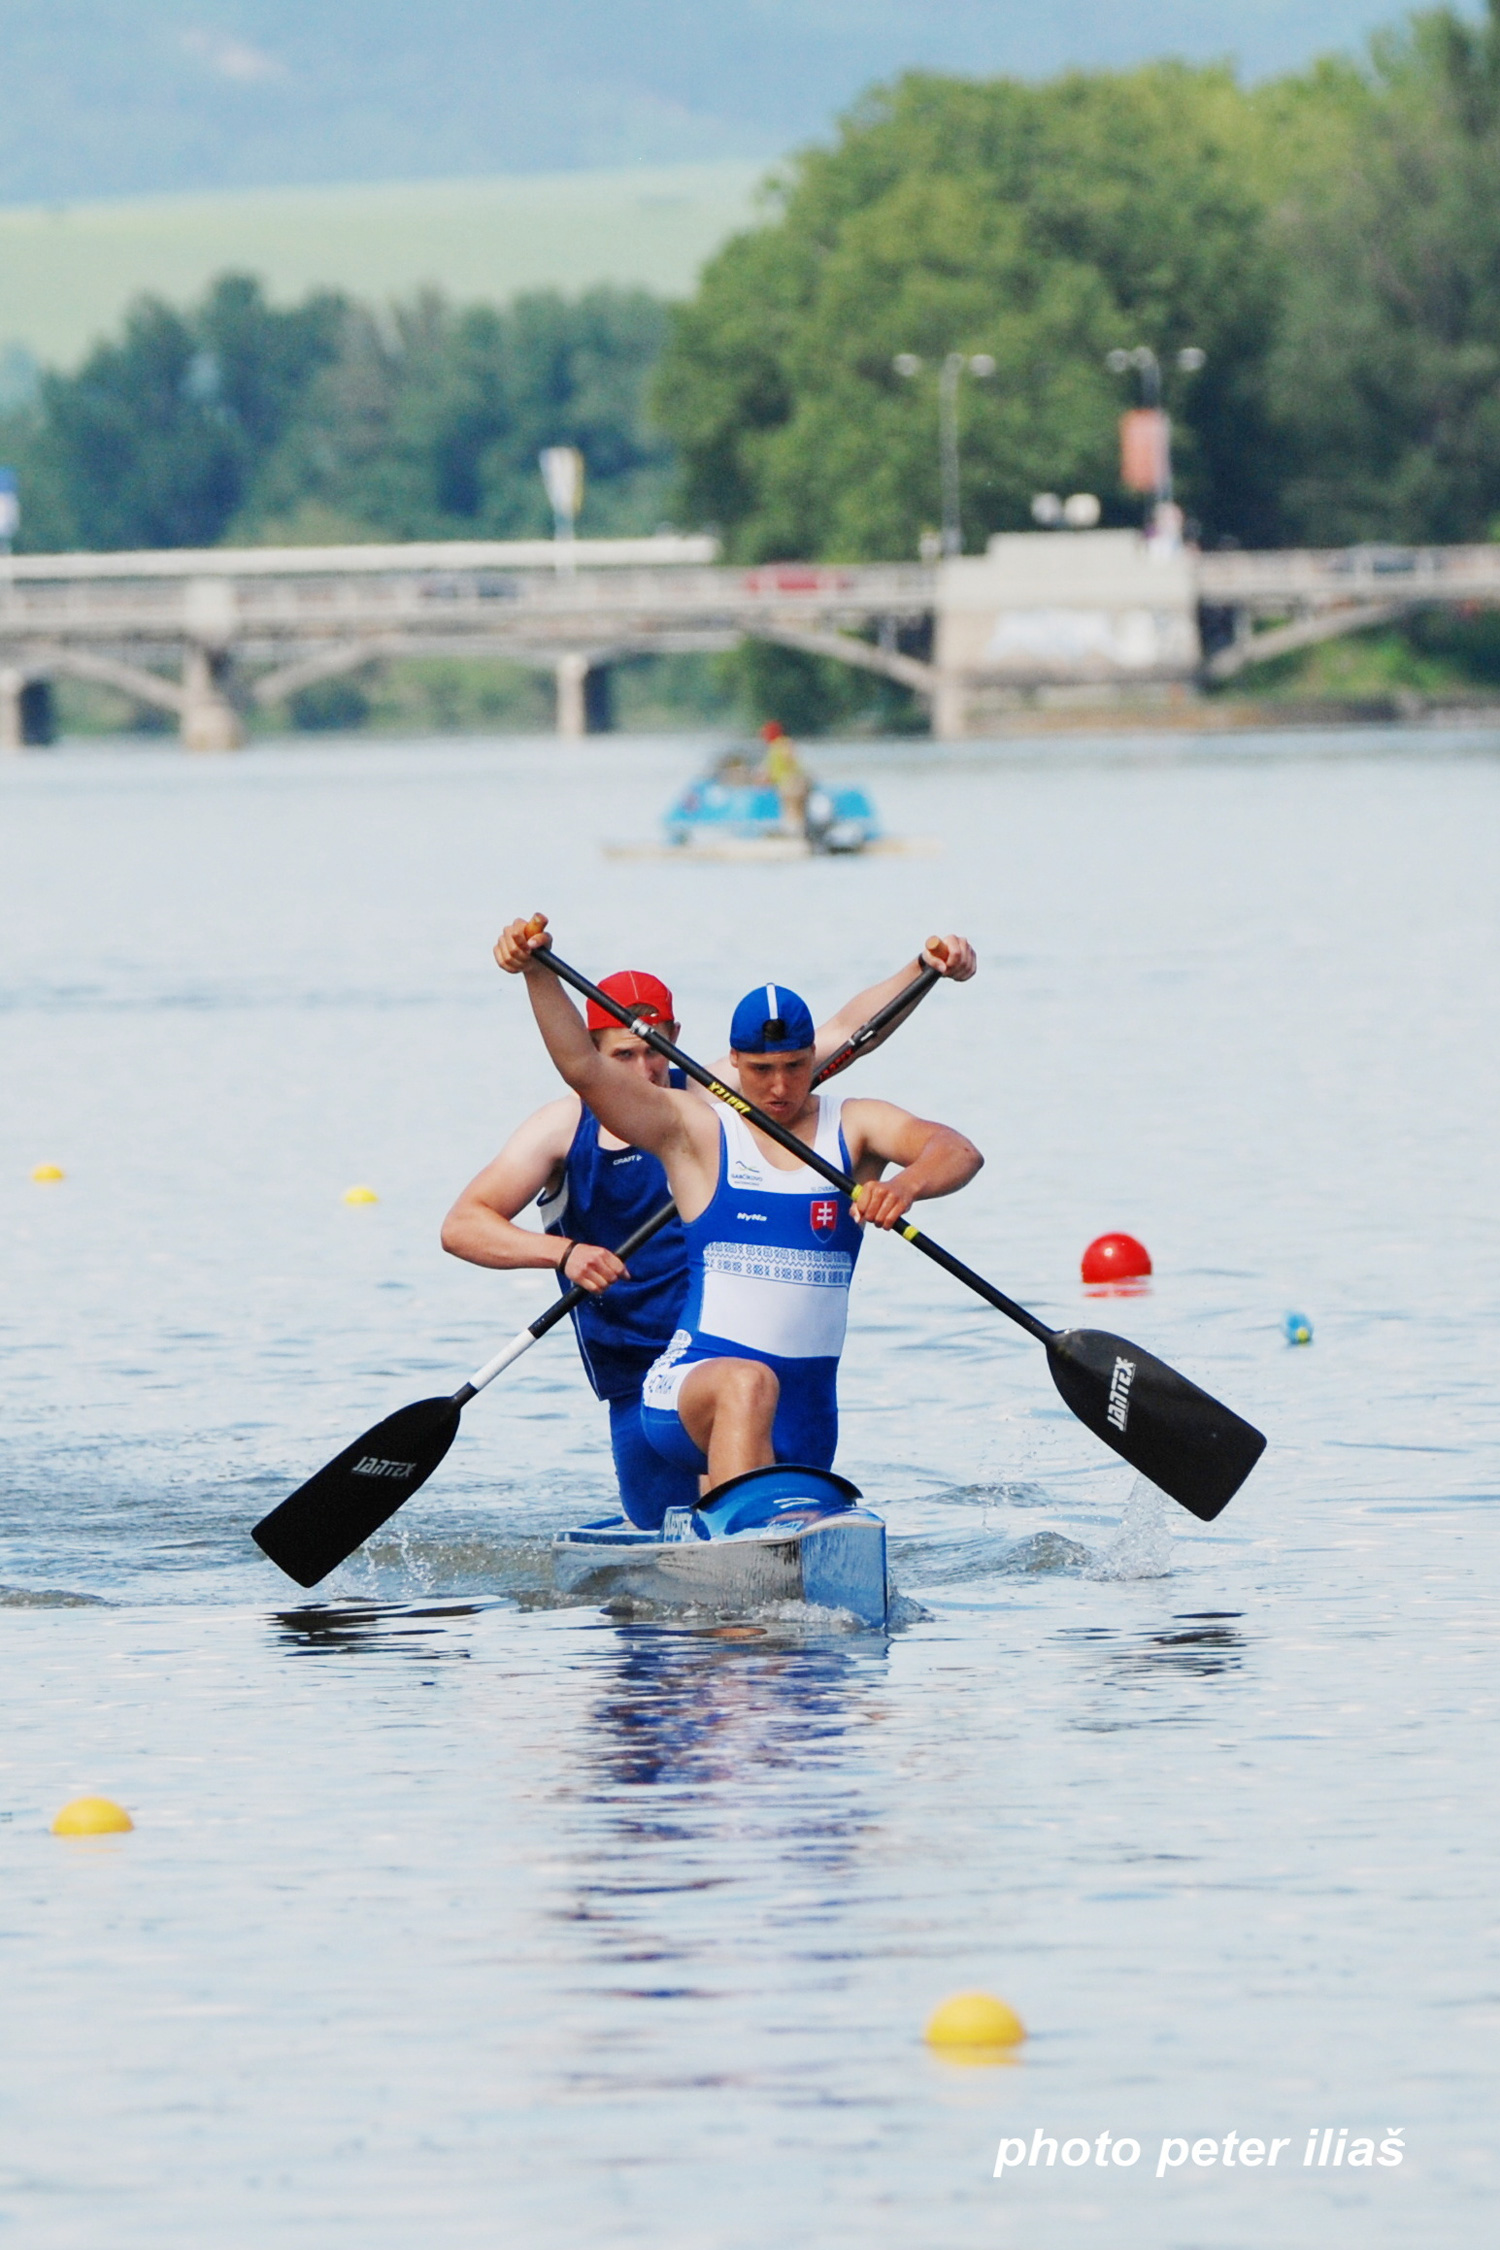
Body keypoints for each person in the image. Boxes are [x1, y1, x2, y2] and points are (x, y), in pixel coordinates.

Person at [444, 938, 977, 1524]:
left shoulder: (724, 1093)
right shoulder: (668, 1125)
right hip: (654, 1371)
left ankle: (738, 1562)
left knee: (756, 1476)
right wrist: (563, 1252)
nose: (778, 1087)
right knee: (739, 1397)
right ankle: (728, 1565)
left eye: (656, 1051)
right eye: (623, 1055)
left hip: (799, 1394)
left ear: (675, 1036)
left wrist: (926, 968)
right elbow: (573, 1078)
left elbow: (858, 1029)